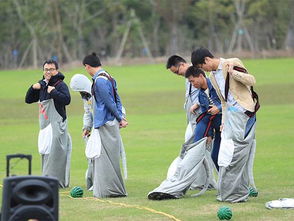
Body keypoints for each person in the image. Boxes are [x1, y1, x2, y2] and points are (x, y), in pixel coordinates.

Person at [191, 47, 258, 203]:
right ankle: (230, 192)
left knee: (237, 154)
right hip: (229, 118)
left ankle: (239, 193)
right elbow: (224, 101)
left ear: (207, 60)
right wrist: (223, 122)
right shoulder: (212, 76)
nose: (203, 71)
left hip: (244, 113)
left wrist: (233, 73)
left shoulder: (232, 62)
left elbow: (251, 80)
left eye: (202, 67)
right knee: (226, 155)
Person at [83, 52, 127, 198]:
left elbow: (109, 102)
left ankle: (107, 190)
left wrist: (119, 117)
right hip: (110, 122)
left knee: (103, 158)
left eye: (86, 68)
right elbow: (117, 98)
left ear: (88, 66)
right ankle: (110, 189)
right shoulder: (109, 76)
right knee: (110, 157)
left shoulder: (99, 81)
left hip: (104, 122)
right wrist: (120, 116)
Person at [25, 59, 72, 188]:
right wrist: (33, 87)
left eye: (51, 69)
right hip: (44, 125)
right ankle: (47, 179)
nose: (48, 72)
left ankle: (57, 182)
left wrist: (53, 92)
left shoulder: (60, 85)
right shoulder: (42, 85)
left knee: (56, 153)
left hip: (57, 124)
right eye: (46, 69)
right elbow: (28, 99)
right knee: (45, 151)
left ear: (56, 70)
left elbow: (67, 100)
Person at [185, 66, 222, 171]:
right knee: (198, 145)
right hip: (213, 124)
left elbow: (231, 102)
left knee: (217, 157)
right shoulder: (201, 94)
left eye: (193, 81)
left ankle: (231, 183)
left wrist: (218, 108)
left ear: (201, 76)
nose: (193, 84)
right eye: (190, 82)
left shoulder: (217, 85)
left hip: (225, 126)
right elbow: (206, 113)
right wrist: (209, 134)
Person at [166, 55, 200, 141]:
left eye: (177, 72)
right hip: (192, 120)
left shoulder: (197, 72)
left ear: (182, 65)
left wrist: (197, 104)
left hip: (200, 118)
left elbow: (207, 91)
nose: (178, 75)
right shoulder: (187, 77)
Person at [70, 74, 94, 190]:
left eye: (80, 91)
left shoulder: (95, 94)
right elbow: (87, 113)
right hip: (92, 132)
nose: (80, 94)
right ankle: (91, 184)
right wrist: (86, 127)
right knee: (90, 158)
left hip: (100, 130)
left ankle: (97, 184)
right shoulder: (86, 97)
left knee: (96, 158)